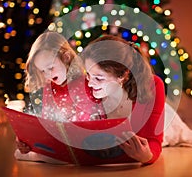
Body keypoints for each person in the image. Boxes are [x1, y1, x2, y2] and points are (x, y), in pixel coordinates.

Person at [14, 31, 106, 163]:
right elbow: (47, 123)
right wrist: (28, 138)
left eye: (50, 68)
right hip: (59, 147)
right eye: (42, 71)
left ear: (66, 57)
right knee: (19, 153)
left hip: (88, 145)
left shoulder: (88, 82)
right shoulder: (49, 88)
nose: (47, 75)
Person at [81, 34, 166, 164]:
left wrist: (147, 156)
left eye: (99, 78)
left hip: (161, 117)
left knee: (178, 132)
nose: (90, 84)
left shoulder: (152, 86)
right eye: (88, 75)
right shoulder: (89, 87)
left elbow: (154, 141)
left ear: (123, 75)